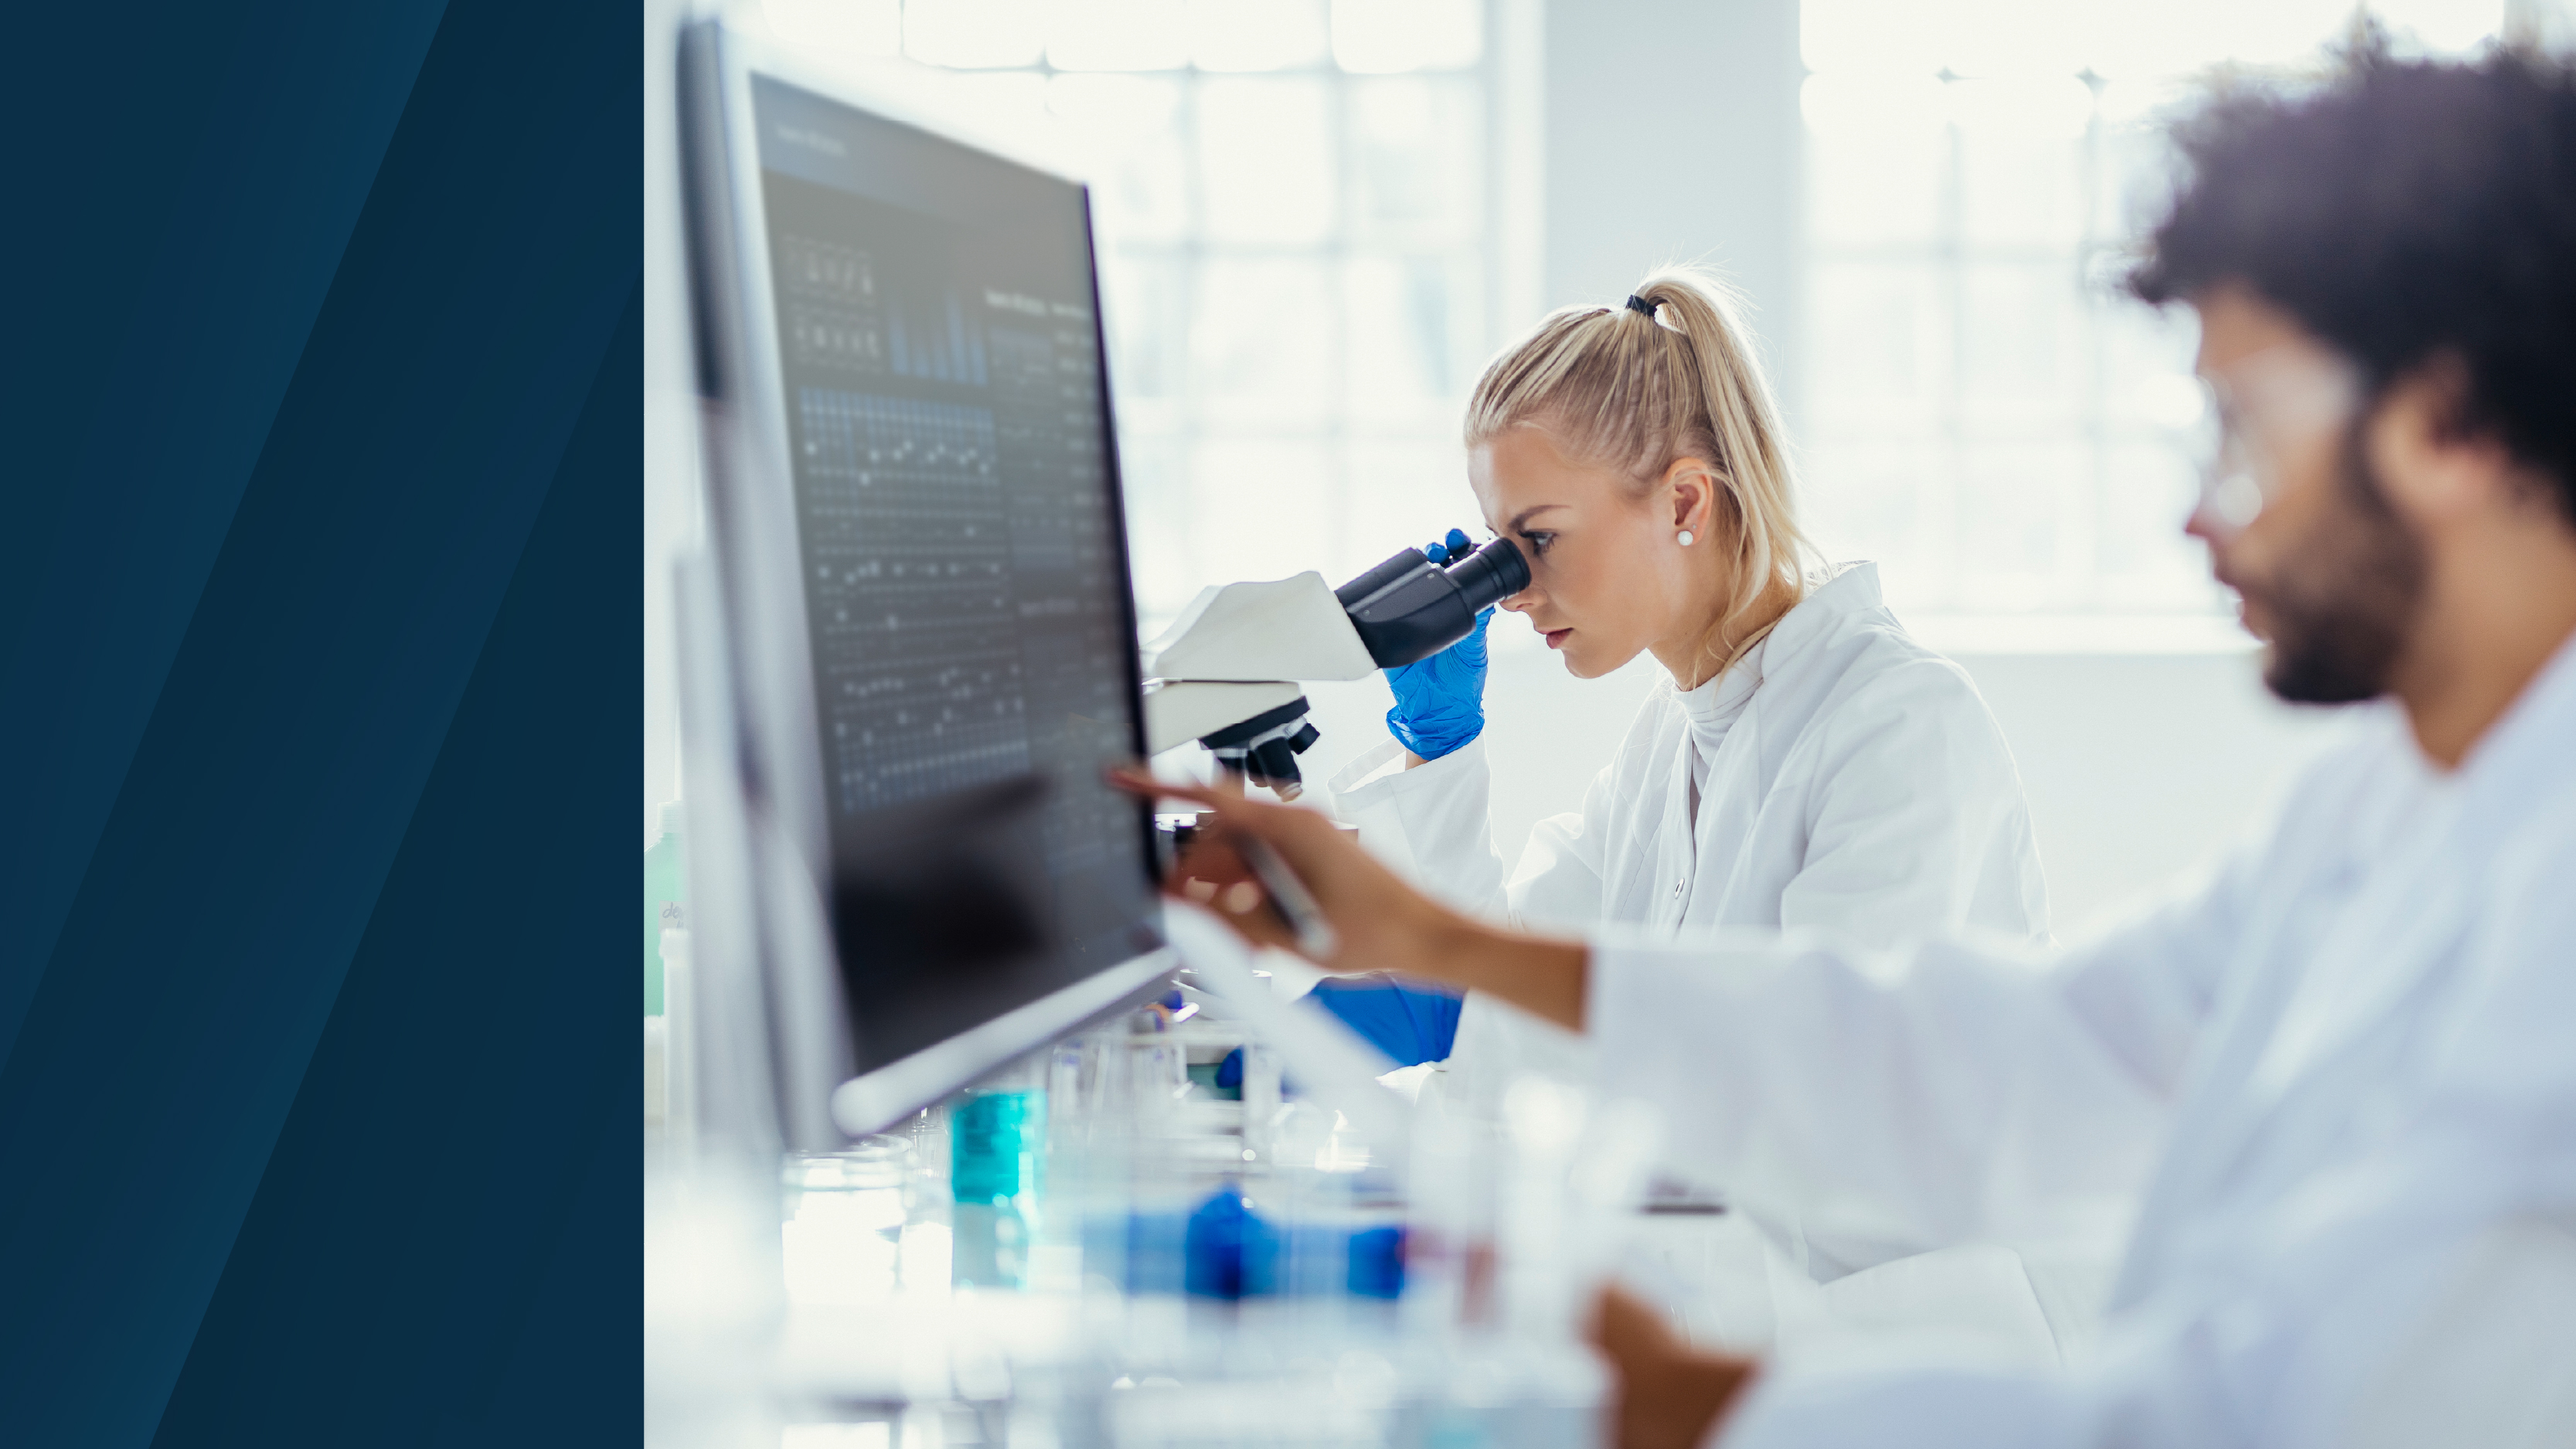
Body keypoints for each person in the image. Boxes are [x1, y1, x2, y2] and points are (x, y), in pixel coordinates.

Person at [1128, 43, 2576, 1449]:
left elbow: (2245, 1398)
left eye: (2242, 431)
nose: (2201, 513)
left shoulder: (1901, 726)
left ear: (2444, 423)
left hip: (1897, 1352)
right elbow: (1995, 1052)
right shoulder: (2372, 808)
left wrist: (1682, 1392)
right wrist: (1427, 932)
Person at [1322, 267, 2047, 1118]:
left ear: (1683, 503)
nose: (1510, 593)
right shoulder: (1668, 744)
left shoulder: (1901, 726)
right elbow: (1498, 1008)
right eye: (1497, 549)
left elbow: (1820, 1099)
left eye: (1538, 539)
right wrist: (1441, 751)